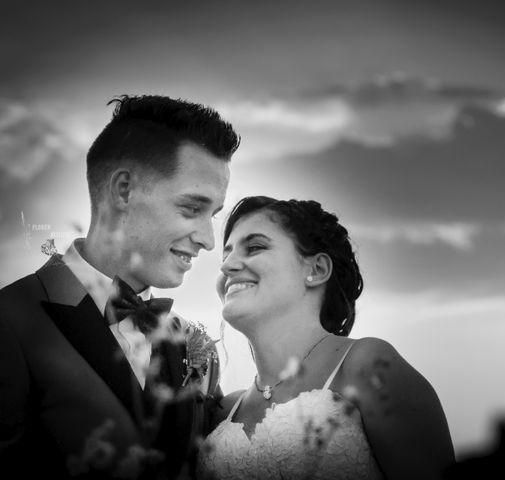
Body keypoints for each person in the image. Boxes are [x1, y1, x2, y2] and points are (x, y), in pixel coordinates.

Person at [0, 95, 240, 479]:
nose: (209, 240)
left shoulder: (197, 347)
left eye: (213, 215)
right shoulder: (9, 321)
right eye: (192, 208)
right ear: (124, 190)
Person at [197, 196, 456, 480]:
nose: (227, 266)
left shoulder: (367, 367)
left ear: (316, 270)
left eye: (255, 247)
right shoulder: (223, 411)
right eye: (226, 255)